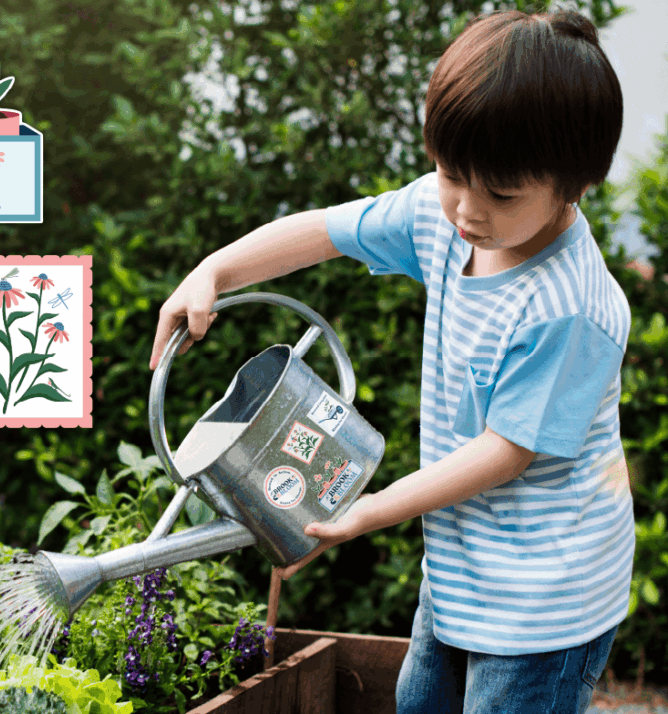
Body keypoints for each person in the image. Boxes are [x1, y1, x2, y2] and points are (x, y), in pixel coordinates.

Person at [149, 9, 632, 714]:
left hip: (544, 603)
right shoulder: (444, 218)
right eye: (449, 173)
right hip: (463, 568)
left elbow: (505, 452)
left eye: (499, 192)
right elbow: (328, 232)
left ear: (574, 185)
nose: (466, 208)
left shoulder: (571, 308)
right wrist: (215, 271)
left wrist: (367, 511)